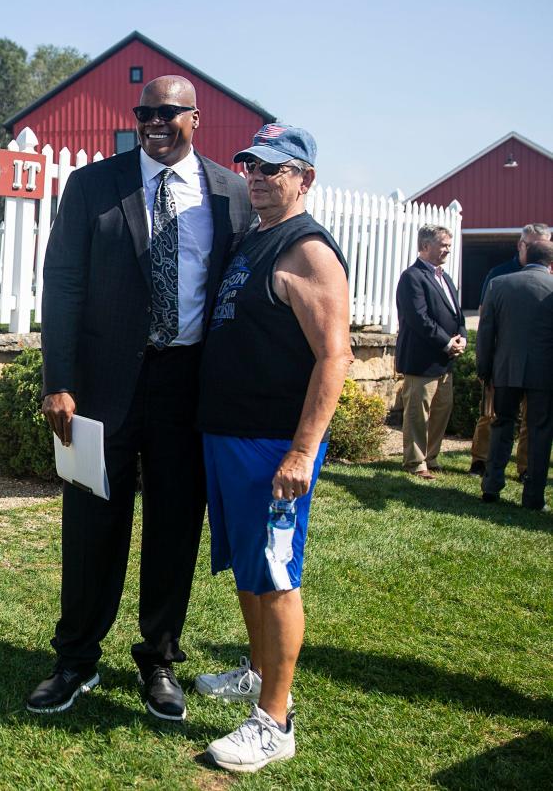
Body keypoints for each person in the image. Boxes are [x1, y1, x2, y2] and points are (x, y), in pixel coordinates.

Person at [30, 75, 253, 722]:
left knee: (175, 529)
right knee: (91, 527)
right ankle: (75, 659)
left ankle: (158, 660)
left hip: (188, 387)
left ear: (196, 118)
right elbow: (63, 282)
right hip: (100, 387)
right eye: (144, 112)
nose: (154, 122)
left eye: (168, 113)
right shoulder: (93, 185)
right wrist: (58, 380)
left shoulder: (229, 194)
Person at [193, 124, 351, 772]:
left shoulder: (308, 251)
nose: (257, 176)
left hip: (271, 447)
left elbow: (334, 358)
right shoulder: (254, 239)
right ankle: (258, 672)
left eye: (275, 169)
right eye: (251, 165)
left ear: (305, 179)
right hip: (227, 438)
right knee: (248, 571)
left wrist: (300, 453)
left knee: (278, 577)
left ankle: (275, 720)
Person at [476, 239, 553, 511]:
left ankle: (491, 486)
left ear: (525, 257)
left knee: (501, 426)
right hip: (544, 373)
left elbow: (486, 332)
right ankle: (533, 497)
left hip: (505, 369)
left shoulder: (500, 284)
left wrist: (484, 368)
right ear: (550, 263)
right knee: (540, 433)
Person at [394, 225, 467, 479]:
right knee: (418, 412)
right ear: (425, 246)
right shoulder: (412, 277)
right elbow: (419, 318)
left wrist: (463, 337)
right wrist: (447, 342)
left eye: (449, 244)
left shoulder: (445, 277)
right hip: (421, 360)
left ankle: (431, 457)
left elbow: (458, 314)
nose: (448, 249)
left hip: (444, 360)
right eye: (443, 244)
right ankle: (415, 462)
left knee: (441, 410)